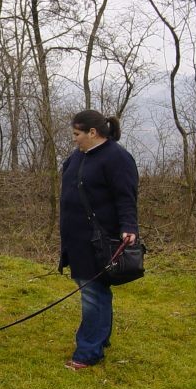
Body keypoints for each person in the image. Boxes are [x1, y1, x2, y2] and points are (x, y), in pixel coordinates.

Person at [58, 110, 139, 370]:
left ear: (93, 133)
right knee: (96, 291)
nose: (74, 139)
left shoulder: (118, 158)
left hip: (99, 239)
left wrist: (128, 227)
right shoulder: (79, 155)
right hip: (77, 238)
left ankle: (88, 352)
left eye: (77, 134)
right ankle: (99, 340)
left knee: (93, 293)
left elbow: (126, 196)